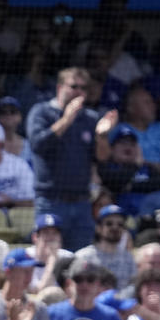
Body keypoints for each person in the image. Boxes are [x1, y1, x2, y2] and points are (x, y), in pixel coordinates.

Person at [26, 67, 117, 250]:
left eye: (83, 89)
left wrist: (102, 136)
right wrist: (66, 119)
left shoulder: (90, 118)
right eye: (74, 86)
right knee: (48, 257)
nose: (79, 92)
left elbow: (102, 158)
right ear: (60, 88)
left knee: (81, 261)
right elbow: (38, 145)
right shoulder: (41, 112)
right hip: (51, 201)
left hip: (81, 203)